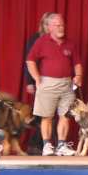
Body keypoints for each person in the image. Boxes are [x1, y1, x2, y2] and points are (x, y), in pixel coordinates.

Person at [26, 13, 83, 156]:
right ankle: (47, 146)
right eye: (57, 25)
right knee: (46, 117)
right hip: (47, 83)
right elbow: (30, 60)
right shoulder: (41, 41)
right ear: (49, 27)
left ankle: (62, 145)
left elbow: (77, 63)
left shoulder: (70, 43)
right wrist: (37, 78)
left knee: (65, 116)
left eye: (62, 25)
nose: (61, 27)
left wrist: (79, 75)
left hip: (67, 84)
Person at [23, 12, 52, 155]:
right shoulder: (35, 39)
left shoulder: (55, 39)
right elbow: (29, 61)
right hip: (38, 81)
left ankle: (42, 145)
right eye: (47, 24)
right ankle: (35, 145)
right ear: (43, 24)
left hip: (53, 82)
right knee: (40, 115)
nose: (49, 27)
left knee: (50, 115)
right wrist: (30, 82)